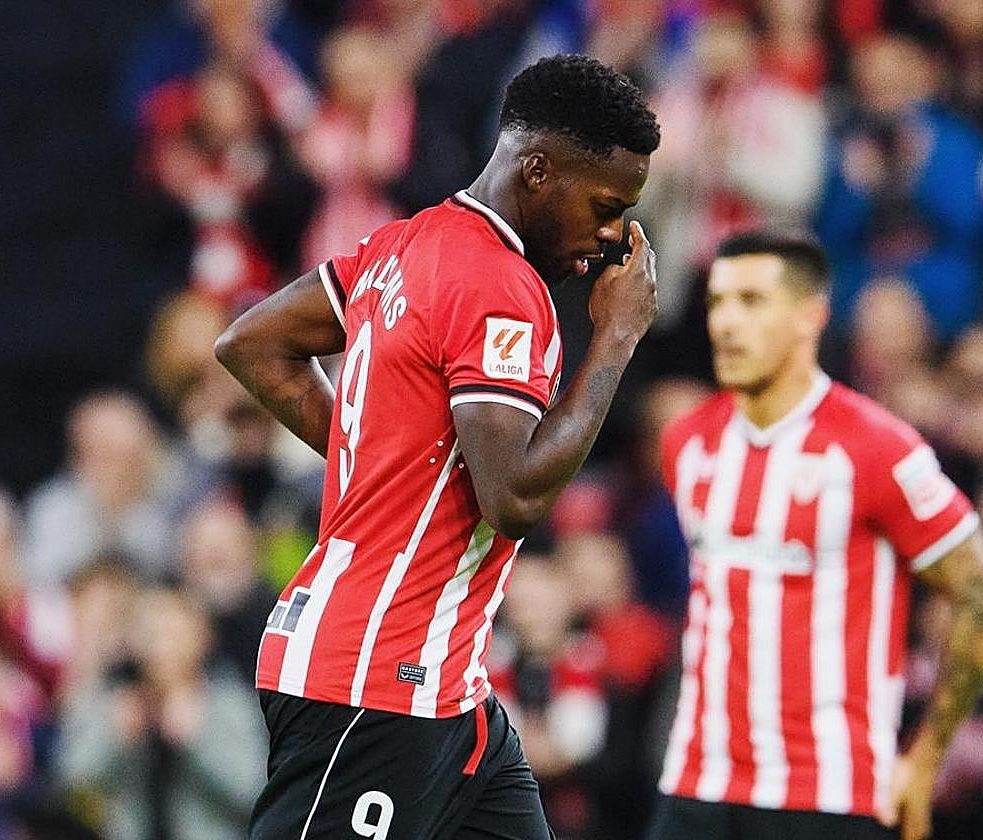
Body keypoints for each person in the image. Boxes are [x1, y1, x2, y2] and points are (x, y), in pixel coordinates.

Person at [214, 53, 661, 839]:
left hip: (447, 686)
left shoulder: (406, 243)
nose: (610, 235)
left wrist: (378, 464)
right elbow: (513, 497)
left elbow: (253, 343)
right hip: (375, 681)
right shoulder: (501, 285)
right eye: (604, 205)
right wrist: (616, 338)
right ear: (537, 171)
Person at [648, 230, 983, 840]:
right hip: (696, 783)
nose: (726, 323)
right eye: (717, 302)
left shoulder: (878, 448)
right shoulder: (686, 442)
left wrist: (923, 761)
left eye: (751, 301)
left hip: (830, 795)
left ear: (809, 317)